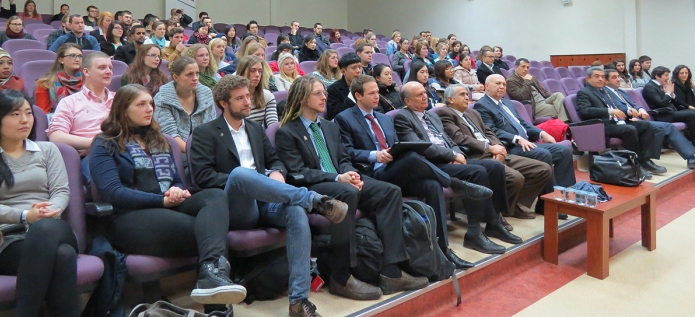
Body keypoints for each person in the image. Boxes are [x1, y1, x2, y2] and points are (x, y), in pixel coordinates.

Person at [191, 75, 349, 317]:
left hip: (267, 201)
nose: (247, 102)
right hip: (236, 205)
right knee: (240, 174)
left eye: (248, 96)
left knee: (295, 212)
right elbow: (203, 176)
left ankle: (298, 300)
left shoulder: (255, 129)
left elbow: (275, 160)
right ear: (223, 103)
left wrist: (275, 172)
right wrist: (252, 180)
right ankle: (313, 200)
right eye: (240, 98)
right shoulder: (206, 132)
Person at [89, 84, 246, 306]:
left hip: (166, 205)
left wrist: (176, 190)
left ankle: (211, 276)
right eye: (141, 104)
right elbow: (113, 192)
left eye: (150, 104)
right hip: (129, 218)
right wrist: (162, 200)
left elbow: (175, 180)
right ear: (123, 110)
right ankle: (216, 298)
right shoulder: (105, 143)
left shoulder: (158, 140)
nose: (149, 109)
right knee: (209, 231)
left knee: (214, 197)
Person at [275, 76, 430, 301]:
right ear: (301, 98)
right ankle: (341, 277)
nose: (324, 97)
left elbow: (344, 157)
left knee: (390, 191)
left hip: (341, 180)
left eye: (324, 92)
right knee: (348, 193)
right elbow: (299, 173)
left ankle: (391, 271)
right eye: (317, 93)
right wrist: (339, 177)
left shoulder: (328, 126)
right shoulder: (287, 132)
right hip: (314, 188)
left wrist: (352, 174)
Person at [335, 75, 500, 268]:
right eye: (371, 93)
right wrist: (374, 155)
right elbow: (345, 152)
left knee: (431, 185)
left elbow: (398, 144)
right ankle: (454, 183)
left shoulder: (384, 118)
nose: (377, 97)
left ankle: (441, 249)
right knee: (412, 156)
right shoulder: (344, 118)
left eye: (378, 92)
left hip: (397, 167)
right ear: (358, 95)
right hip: (373, 172)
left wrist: (395, 151)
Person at [393, 81, 522, 252]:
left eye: (425, 93)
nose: (425, 96)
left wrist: (457, 153)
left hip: (450, 159)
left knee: (495, 167)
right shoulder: (403, 117)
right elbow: (422, 146)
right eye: (419, 95)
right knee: (478, 171)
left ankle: (494, 222)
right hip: (432, 164)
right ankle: (474, 234)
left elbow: (449, 139)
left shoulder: (431, 115)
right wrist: (451, 155)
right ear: (408, 101)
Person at [0, 89, 76, 317]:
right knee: (63, 256)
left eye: (28, 113)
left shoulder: (47, 150)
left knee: (44, 230)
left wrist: (46, 212)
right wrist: (25, 216)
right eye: (15, 114)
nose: (25, 120)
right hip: (9, 239)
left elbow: (61, 191)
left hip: (52, 226)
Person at [438, 84, 553, 219]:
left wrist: (499, 147)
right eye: (462, 95)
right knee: (516, 178)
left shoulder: (472, 112)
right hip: (477, 156)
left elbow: (488, 131)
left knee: (543, 169)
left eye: (466, 94)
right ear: (450, 100)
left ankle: (511, 204)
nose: (467, 98)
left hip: (495, 151)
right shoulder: (445, 113)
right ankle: (503, 209)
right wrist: (489, 148)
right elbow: (459, 138)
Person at [475, 74, 575, 219]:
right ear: (486, 86)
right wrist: (517, 139)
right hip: (510, 146)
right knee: (543, 154)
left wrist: (542, 134)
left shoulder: (508, 103)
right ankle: (547, 204)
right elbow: (491, 130)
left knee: (564, 150)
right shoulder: (482, 105)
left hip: (528, 143)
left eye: (504, 84)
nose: (502, 87)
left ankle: (561, 197)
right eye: (498, 83)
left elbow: (524, 124)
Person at [576, 66, 665, 178]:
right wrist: (609, 111)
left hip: (616, 122)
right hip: (602, 126)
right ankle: (633, 165)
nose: (600, 79)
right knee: (629, 129)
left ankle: (645, 160)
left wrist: (628, 111)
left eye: (602, 77)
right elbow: (586, 111)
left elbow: (616, 108)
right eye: (596, 76)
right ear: (588, 79)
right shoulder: (584, 92)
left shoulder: (604, 91)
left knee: (645, 125)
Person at [602, 68, 695, 169]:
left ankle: (691, 156)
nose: (618, 79)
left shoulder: (620, 91)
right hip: (626, 121)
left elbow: (633, 104)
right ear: (606, 81)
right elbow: (615, 108)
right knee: (659, 125)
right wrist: (630, 113)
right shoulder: (605, 93)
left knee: (669, 127)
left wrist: (641, 109)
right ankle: (645, 161)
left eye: (618, 77)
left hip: (637, 118)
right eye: (614, 77)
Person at [47, 52, 114, 181]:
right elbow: (56, 136)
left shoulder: (120, 99)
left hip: (124, 151)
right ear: (86, 72)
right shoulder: (69, 102)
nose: (108, 72)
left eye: (110, 68)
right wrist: (96, 143)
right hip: (92, 155)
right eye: (102, 68)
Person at [153, 56, 216, 153]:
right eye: (189, 74)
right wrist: (197, 154)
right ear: (176, 77)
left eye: (197, 73)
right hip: (174, 152)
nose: (195, 78)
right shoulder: (162, 98)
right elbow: (170, 135)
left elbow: (212, 128)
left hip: (205, 150)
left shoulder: (206, 94)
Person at [643, 66, 695, 146]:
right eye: (666, 75)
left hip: (670, 112)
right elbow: (661, 103)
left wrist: (672, 93)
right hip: (663, 115)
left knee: (692, 113)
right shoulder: (649, 87)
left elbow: (671, 100)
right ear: (657, 76)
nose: (668, 78)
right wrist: (668, 93)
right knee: (692, 114)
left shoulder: (660, 85)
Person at [35, 44, 83, 114]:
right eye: (72, 56)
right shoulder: (45, 83)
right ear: (61, 60)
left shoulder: (89, 80)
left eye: (80, 56)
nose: (77, 59)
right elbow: (44, 115)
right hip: (57, 121)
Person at [236, 55, 278, 127]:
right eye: (252, 71)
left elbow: (272, 125)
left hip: (260, 135)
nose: (257, 75)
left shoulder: (267, 96)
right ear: (242, 73)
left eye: (260, 71)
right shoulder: (233, 98)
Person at [326, 53, 362, 120]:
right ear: (343, 71)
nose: (358, 71)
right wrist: (352, 94)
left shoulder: (365, 85)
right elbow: (337, 114)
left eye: (360, 67)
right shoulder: (333, 89)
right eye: (354, 68)